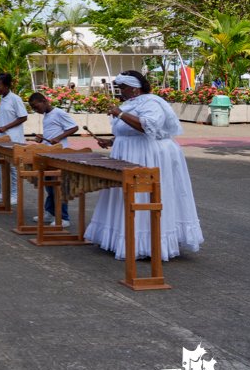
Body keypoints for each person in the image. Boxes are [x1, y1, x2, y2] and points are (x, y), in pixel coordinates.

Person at [84, 71, 204, 260]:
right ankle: (125, 238)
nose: (121, 92)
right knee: (127, 195)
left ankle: (148, 242)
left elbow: (148, 127)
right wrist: (113, 141)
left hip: (149, 154)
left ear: (135, 88)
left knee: (144, 196)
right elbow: (130, 131)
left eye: (123, 88)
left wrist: (120, 113)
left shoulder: (151, 102)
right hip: (132, 151)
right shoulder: (132, 103)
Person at [28, 92, 79, 227]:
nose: (36, 110)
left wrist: (59, 138)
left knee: (59, 186)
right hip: (49, 153)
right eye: (33, 109)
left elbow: (74, 127)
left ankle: (64, 218)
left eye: (36, 107)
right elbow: (52, 131)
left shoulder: (59, 113)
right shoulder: (46, 115)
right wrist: (42, 137)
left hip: (60, 153)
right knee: (50, 187)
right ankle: (50, 212)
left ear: (44, 101)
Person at [0, 73, 27, 206]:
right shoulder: (3, 99)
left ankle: (16, 194)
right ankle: (5, 193)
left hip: (14, 139)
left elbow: (23, 117)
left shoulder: (15, 99)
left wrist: (5, 127)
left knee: (14, 169)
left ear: (6, 86)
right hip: (2, 139)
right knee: (4, 166)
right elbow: (5, 116)